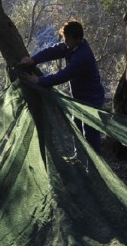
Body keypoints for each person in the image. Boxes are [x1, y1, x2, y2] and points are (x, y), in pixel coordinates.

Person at [21, 20, 105, 153]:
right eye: (65, 39)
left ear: (77, 38)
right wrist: (34, 59)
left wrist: (39, 80)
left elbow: (63, 75)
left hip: (92, 100)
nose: (65, 42)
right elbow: (52, 51)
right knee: (76, 129)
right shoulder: (71, 46)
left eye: (68, 39)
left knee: (90, 134)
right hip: (78, 99)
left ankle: (93, 169)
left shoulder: (82, 56)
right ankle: (80, 161)